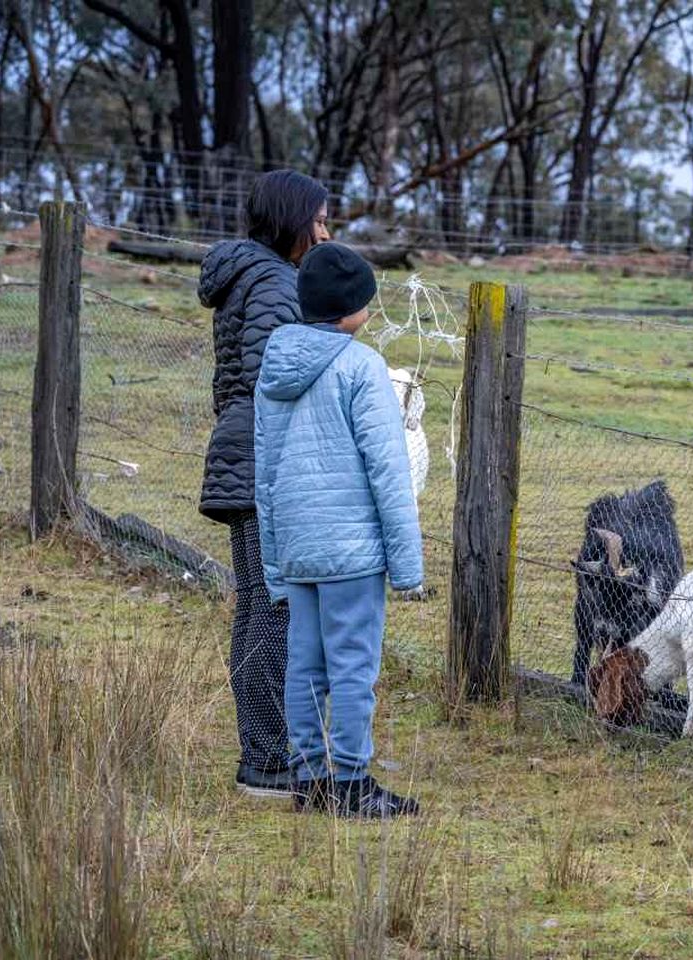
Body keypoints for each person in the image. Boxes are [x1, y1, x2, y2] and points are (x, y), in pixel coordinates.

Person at [254, 242, 424, 818]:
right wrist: (407, 565)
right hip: (352, 551)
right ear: (350, 310)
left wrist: (275, 558)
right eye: (365, 303)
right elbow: (388, 467)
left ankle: (307, 779)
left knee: (304, 666)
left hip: (300, 547)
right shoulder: (361, 367)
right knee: (354, 666)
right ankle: (350, 781)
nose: (370, 312)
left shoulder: (274, 367)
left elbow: (265, 470)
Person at [198, 170, 331, 798]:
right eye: (321, 220)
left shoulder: (243, 277)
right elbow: (275, 379)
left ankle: (264, 748)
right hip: (261, 462)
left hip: (237, 453)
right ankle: (268, 756)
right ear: (292, 220)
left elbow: (235, 380)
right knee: (274, 608)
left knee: (256, 602)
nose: (326, 233)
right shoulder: (279, 281)